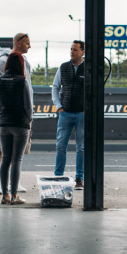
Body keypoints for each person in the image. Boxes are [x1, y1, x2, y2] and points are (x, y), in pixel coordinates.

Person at [0, 32, 33, 195]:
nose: (30, 46)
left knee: (16, 154)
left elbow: (28, 89)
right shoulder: (2, 60)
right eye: (28, 43)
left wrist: (28, 115)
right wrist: (4, 112)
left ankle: (12, 184)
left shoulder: (25, 62)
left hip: (20, 115)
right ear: (19, 43)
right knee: (1, 149)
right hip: (9, 115)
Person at [51, 40, 86, 189]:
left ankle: (79, 178)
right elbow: (55, 87)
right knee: (60, 146)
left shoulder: (88, 68)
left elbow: (93, 91)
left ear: (83, 52)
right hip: (65, 113)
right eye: (71, 49)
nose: (72, 52)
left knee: (81, 148)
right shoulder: (63, 67)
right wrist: (59, 107)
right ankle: (58, 176)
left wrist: (86, 109)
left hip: (81, 114)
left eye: (75, 50)